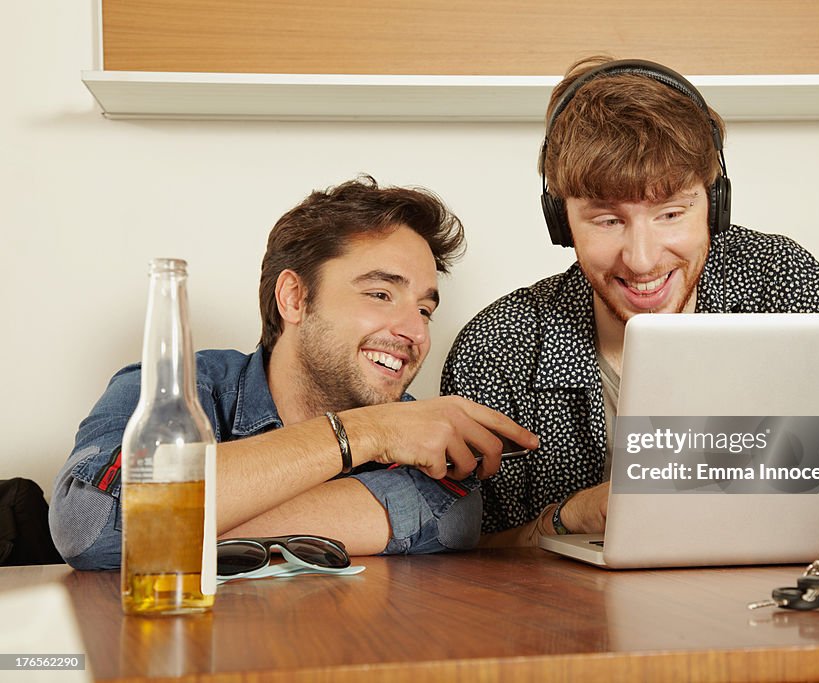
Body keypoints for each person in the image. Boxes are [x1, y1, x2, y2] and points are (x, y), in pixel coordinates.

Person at [441, 57, 819, 545]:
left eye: (671, 213)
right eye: (608, 221)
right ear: (561, 223)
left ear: (714, 205)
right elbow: (464, 558)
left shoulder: (777, 282)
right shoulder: (497, 345)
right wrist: (566, 518)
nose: (643, 259)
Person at [51, 176, 538, 570]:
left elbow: (454, 517)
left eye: (426, 311)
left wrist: (180, 527)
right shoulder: (172, 389)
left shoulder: (422, 433)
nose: (415, 331)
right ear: (294, 298)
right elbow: (89, 523)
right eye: (380, 294)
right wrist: (362, 434)